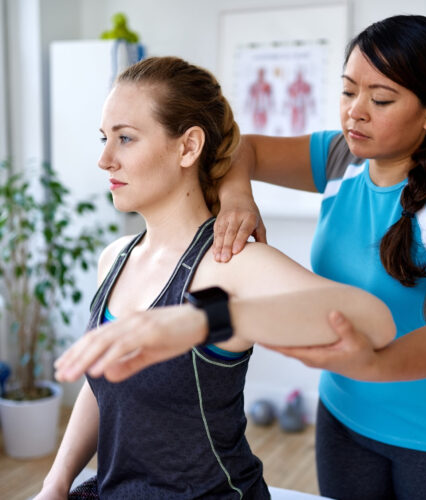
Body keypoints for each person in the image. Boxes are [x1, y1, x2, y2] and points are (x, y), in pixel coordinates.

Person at [39, 56, 395, 500]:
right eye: (104, 138)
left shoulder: (230, 262)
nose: (104, 159)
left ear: (188, 147)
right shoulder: (114, 258)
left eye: (125, 138)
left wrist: (205, 319)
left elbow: (375, 322)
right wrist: (55, 484)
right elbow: (105, 385)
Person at [211, 14, 426, 500]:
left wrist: (369, 362)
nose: (355, 113)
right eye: (348, 92)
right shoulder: (342, 158)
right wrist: (238, 196)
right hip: (342, 417)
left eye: (380, 99)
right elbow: (244, 149)